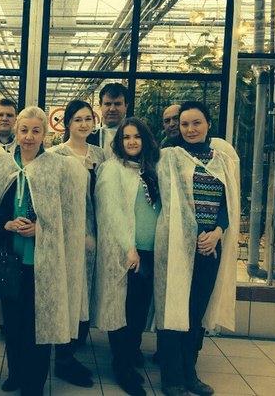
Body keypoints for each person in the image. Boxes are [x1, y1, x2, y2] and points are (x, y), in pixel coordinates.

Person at [0, 106, 86, 395]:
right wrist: (6, 224)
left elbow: (66, 216)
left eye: (36, 131)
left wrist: (41, 228)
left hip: (42, 262)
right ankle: (16, 373)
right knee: (12, 324)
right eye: (24, 130)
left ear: (44, 134)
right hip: (9, 260)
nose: (29, 136)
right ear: (16, 130)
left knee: (38, 325)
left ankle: (34, 383)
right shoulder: (2, 166)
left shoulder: (56, 167)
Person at [155, 101, 240, 396]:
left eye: (196, 123)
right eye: (184, 124)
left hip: (209, 248)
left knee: (195, 313)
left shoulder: (222, 160)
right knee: (172, 311)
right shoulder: (169, 157)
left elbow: (229, 203)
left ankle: (190, 374)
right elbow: (169, 203)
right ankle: (171, 378)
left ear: (208, 125)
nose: (190, 129)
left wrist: (217, 232)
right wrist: (190, 235)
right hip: (176, 247)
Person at [95, 118, 161, 396]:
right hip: (128, 253)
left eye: (137, 136)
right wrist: (128, 248)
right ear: (119, 142)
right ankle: (121, 366)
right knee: (122, 311)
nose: (132, 142)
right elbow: (110, 212)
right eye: (126, 137)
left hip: (151, 251)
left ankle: (131, 354)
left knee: (139, 311)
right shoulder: (113, 169)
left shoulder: (150, 169)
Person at [48, 99, 105, 388]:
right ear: (67, 123)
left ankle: (72, 351)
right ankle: (63, 358)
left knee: (85, 292)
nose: (84, 124)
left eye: (88, 119)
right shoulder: (55, 155)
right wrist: (75, 232)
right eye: (78, 119)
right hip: (68, 236)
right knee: (68, 292)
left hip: (95, 234)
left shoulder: (100, 155)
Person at [87, 82, 130, 156]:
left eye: (117, 104)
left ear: (126, 106)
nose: (112, 109)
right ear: (100, 105)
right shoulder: (89, 137)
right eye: (108, 104)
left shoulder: (137, 137)